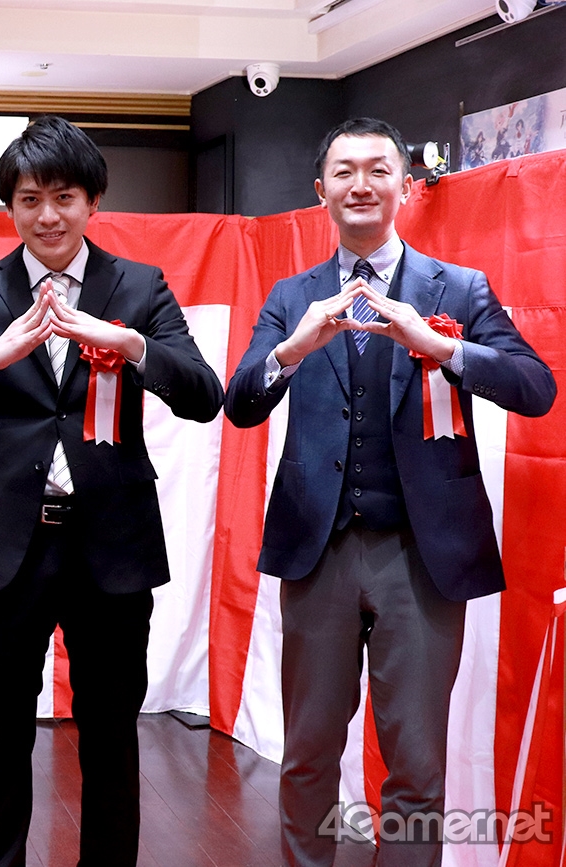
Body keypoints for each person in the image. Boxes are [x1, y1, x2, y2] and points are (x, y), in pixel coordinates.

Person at [224, 117, 556, 867]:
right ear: (320, 191)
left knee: (417, 765)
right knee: (308, 755)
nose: (361, 185)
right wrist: (292, 348)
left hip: (424, 556)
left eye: (379, 170)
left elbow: (535, 388)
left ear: (405, 187)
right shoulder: (292, 295)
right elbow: (240, 403)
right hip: (319, 552)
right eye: (344, 172)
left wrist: (444, 347)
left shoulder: (460, 289)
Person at [0, 115, 224, 867]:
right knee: (0, 732)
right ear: (10, 206)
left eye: (64, 197)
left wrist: (132, 345)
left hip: (112, 543)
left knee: (111, 732)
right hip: (7, 547)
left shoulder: (138, 286)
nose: (47, 215)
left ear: (93, 201)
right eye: (29, 199)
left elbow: (204, 396)